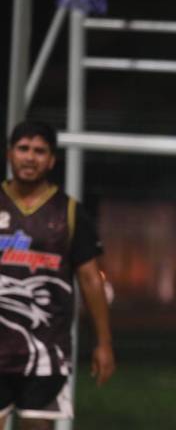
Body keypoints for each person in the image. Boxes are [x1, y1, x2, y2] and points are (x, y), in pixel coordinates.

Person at [0, 121, 114, 429]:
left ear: (52, 160)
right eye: (23, 148)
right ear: (10, 153)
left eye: (40, 151)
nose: (30, 157)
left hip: (46, 351)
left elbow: (91, 279)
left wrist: (103, 342)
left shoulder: (69, 212)